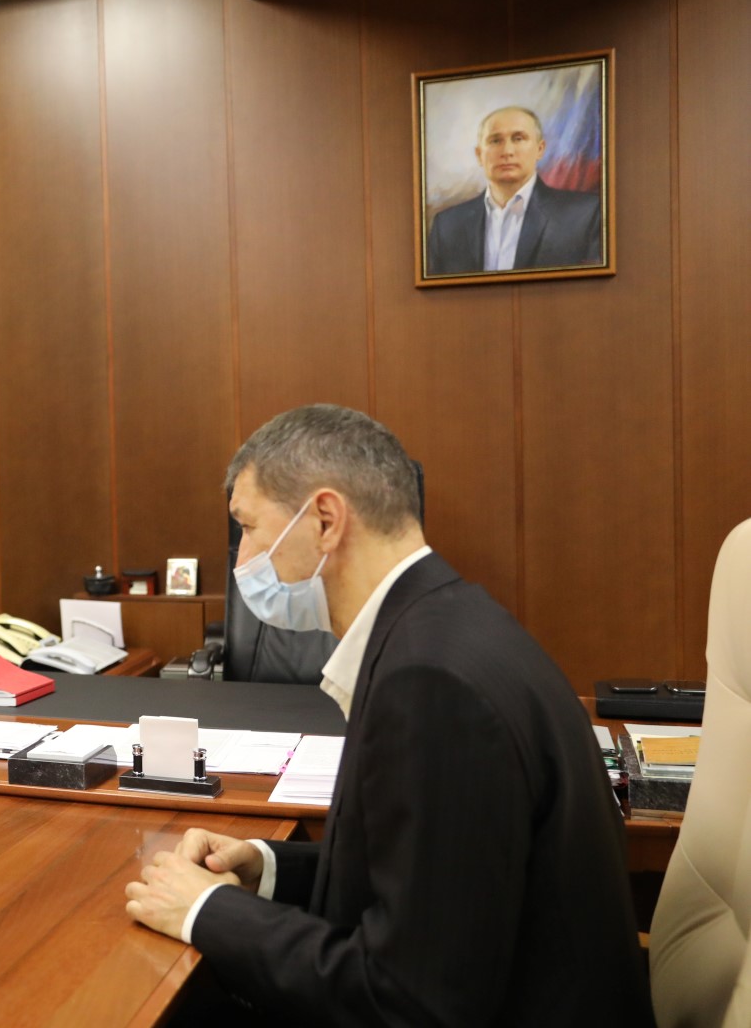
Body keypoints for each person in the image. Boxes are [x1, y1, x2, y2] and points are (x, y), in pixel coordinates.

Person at [124, 405, 652, 1026]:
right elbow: (430, 879)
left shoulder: (430, 686)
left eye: (248, 527)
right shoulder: (448, 624)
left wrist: (207, 911)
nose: (243, 560)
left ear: (325, 520)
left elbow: (408, 999)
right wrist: (264, 867)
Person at [425, 105, 602, 275]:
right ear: (479, 155)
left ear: (540, 149)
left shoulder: (585, 215)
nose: (507, 151)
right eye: (495, 141)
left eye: (518, 138)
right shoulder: (446, 226)